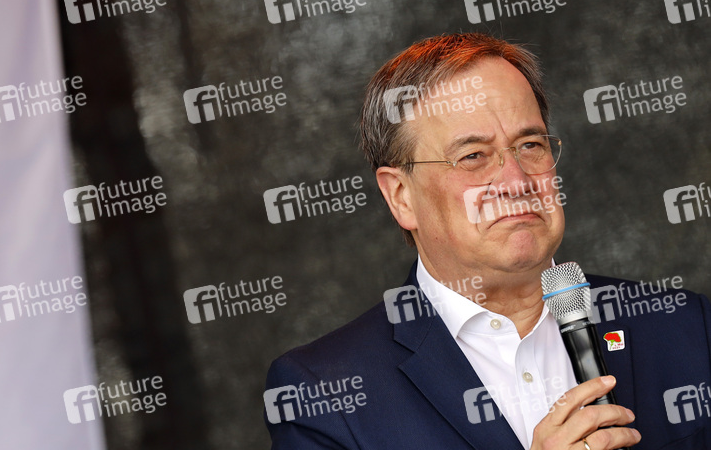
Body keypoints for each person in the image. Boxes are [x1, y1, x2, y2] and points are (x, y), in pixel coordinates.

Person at [264, 33, 711, 449]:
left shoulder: (687, 327)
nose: (517, 181)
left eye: (530, 145)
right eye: (473, 156)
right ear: (401, 196)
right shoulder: (323, 396)